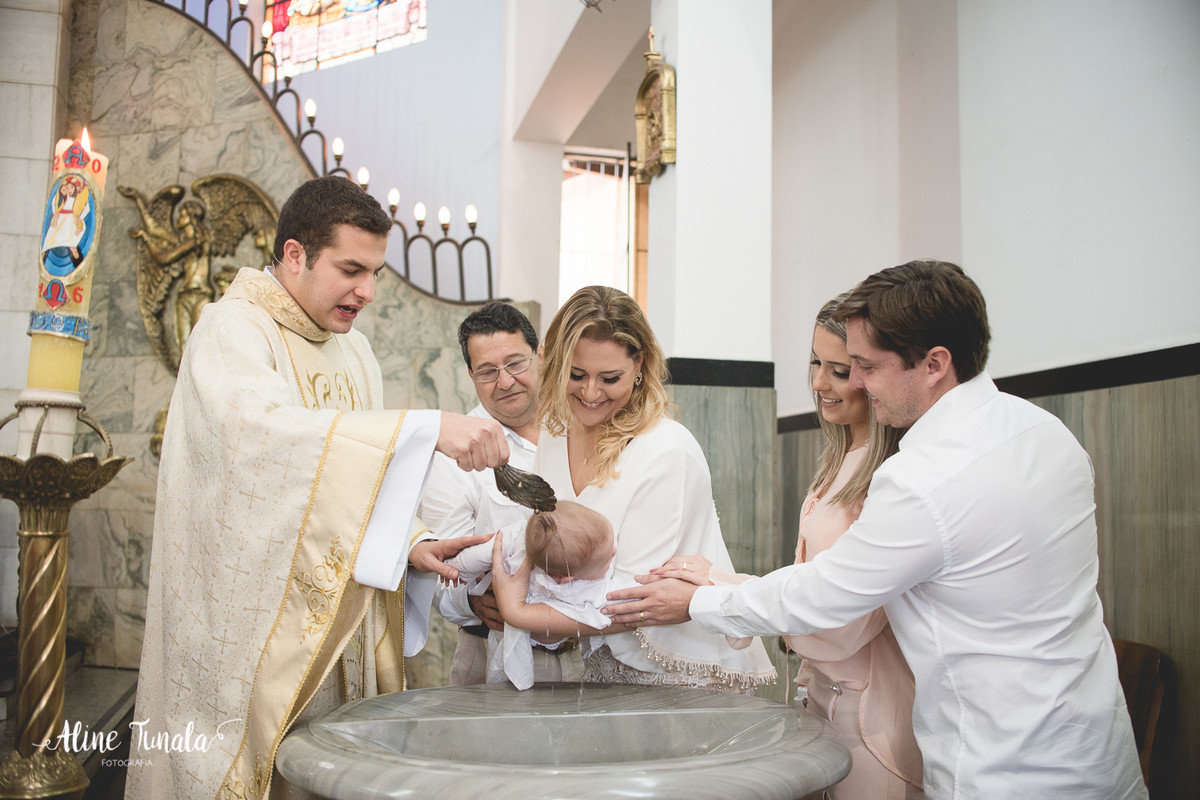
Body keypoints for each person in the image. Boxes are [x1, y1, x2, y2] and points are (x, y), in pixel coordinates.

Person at [606, 261, 1147, 799]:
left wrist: (699, 601)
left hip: (1005, 764)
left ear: (934, 363)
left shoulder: (923, 478)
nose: (854, 381)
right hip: (1094, 746)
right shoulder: (1045, 431)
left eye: (866, 366)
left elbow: (828, 594)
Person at [129, 176, 510, 800]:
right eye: (351, 269)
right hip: (254, 631)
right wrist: (426, 427)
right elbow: (263, 449)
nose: (366, 291)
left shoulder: (354, 351)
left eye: (376, 274)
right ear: (295, 254)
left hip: (341, 628)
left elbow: (360, 477)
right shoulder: (232, 332)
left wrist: (408, 541)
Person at [655, 294, 921, 798]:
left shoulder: (890, 477)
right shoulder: (842, 458)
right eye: (815, 363)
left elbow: (845, 621)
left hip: (873, 715)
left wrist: (716, 592)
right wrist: (718, 579)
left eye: (840, 370)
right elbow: (815, 580)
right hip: (825, 694)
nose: (819, 383)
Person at [491, 285, 775, 692]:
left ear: (639, 364)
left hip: (680, 673)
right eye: (576, 375)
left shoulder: (665, 450)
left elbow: (632, 601)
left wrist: (519, 611)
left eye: (610, 378)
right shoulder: (555, 432)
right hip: (605, 665)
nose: (590, 393)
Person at [417, 301, 583, 685]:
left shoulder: (582, 425)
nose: (504, 381)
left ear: (540, 355)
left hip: (589, 650)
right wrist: (474, 603)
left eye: (515, 363)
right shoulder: (453, 453)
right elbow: (442, 568)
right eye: (488, 372)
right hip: (493, 649)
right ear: (470, 375)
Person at [448, 501, 616, 689]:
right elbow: (601, 616)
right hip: (502, 638)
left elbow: (479, 555)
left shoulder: (520, 535)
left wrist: (457, 570)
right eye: (606, 560)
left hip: (529, 641)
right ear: (567, 579)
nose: (614, 553)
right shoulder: (584, 590)